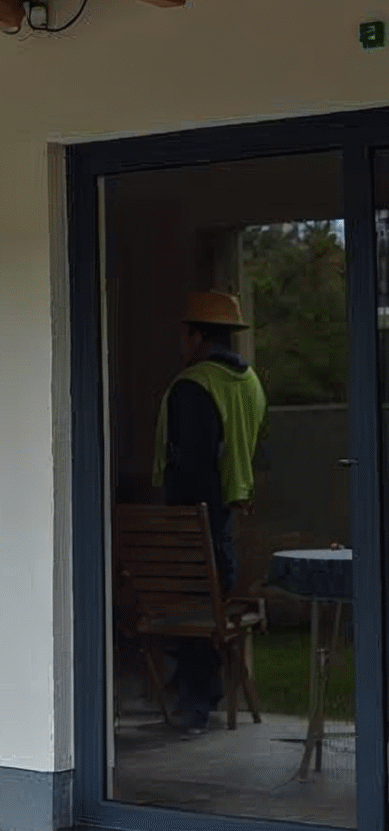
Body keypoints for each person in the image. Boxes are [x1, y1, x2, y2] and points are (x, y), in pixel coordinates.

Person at [151, 289, 268, 735]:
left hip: (192, 516)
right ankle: (201, 690)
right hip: (228, 508)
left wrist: (177, 516)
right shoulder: (250, 383)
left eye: (184, 334)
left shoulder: (194, 385)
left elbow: (192, 459)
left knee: (191, 604)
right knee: (212, 600)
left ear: (197, 336)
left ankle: (195, 703)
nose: (181, 344)